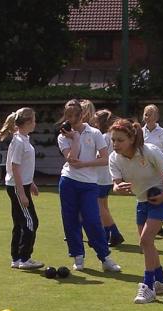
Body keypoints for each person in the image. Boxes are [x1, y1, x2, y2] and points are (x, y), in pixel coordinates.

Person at [109, 118, 163, 304]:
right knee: (147, 244)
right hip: (142, 200)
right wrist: (118, 188)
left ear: (131, 139)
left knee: (145, 240)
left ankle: (148, 286)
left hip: (162, 197)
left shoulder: (149, 151)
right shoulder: (114, 158)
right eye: (113, 140)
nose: (115, 144)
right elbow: (115, 184)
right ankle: (161, 281)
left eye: (120, 140)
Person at [57, 99, 121, 272]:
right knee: (70, 220)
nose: (70, 119)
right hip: (68, 181)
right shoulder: (62, 136)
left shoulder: (95, 133)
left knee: (92, 220)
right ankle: (78, 257)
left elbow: (105, 159)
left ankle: (105, 258)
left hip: (90, 184)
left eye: (73, 115)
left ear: (81, 114)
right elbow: (71, 159)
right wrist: (75, 138)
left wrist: (85, 164)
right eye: (67, 115)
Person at [0, 107, 44, 270]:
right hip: (17, 187)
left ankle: (16, 258)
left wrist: (30, 183)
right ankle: (25, 258)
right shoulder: (18, 141)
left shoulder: (23, 139)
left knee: (19, 222)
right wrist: (22, 192)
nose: (35, 123)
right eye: (34, 120)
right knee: (31, 221)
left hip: (21, 185)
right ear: (28, 122)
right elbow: (15, 167)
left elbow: (22, 167)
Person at [91, 109, 125, 247]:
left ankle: (115, 233)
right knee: (103, 206)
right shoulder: (111, 135)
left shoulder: (104, 137)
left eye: (95, 120)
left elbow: (101, 156)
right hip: (107, 176)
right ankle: (105, 234)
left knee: (100, 207)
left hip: (101, 176)